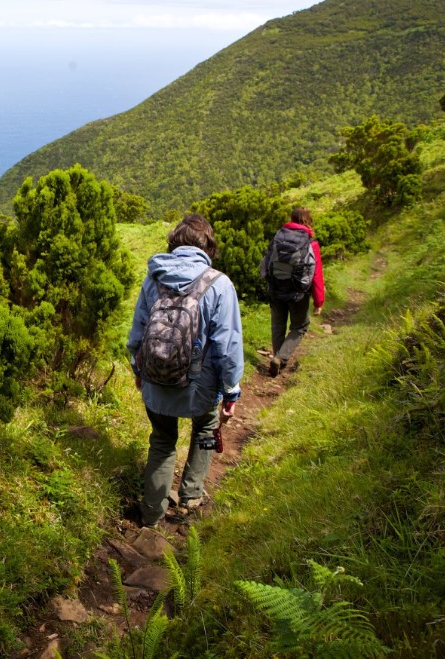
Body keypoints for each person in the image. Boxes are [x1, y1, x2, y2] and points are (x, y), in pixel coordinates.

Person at [127, 214, 244, 528]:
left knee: (163, 439)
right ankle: (191, 496)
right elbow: (228, 346)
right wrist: (231, 391)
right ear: (207, 246)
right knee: (205, 429)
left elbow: (137, 334)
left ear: (174, 242)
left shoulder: (153, 278)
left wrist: (138, 370)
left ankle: (151, 514)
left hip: (155, 380)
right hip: (198, 387)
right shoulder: (219, 284)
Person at [260, 207, 325, 377]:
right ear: (308, 221)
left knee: (277, 325)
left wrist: (268, 282)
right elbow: (317, 276)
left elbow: (265, 263)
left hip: (275, 289)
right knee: (300, 326)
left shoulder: (278, 238)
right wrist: (319, 302)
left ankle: (277, 358)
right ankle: (281, 358)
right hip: (298, 294)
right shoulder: (311, 244)